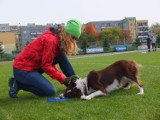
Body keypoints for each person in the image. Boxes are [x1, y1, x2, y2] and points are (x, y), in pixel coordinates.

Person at [8, 19, 82, 98]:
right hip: (22, 69)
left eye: (76, 39)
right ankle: (18, 84)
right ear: (67, 33)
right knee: (50, 91)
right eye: (73, 37)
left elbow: (49, 62)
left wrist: (66, 79)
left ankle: (75, 83)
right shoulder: (51, 41)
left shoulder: (58, 40)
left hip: (34, 66)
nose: (74, 41)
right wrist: (63, 79)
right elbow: (46, 65)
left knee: (61, 55)